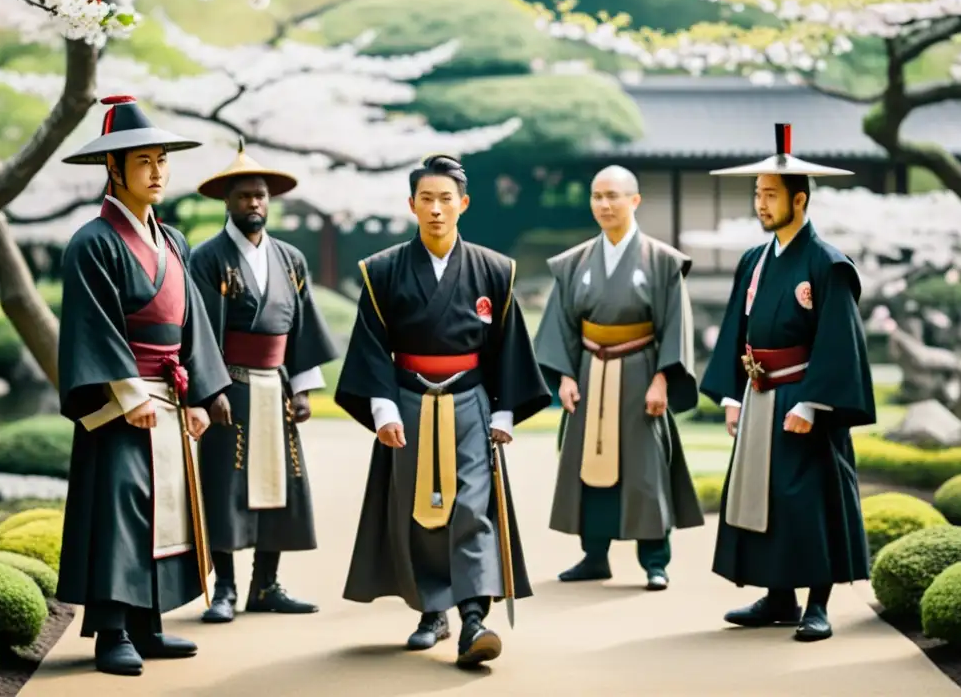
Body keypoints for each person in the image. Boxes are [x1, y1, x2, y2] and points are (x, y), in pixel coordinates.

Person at [335, 154, 551, 668]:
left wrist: (503, 412)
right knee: (420, 509)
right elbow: (370, 346)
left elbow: (508, 346)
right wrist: (383, 408)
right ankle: (433, 610)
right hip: (408, 401)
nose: (436, 209)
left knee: (471, 507)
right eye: (426, 199)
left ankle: (474, 617)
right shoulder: (383, 271)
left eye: (445, 199)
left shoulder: (494, 271)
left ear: (464, 204)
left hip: (471, 402)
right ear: (411, 205)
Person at [55, 96, 232, 676]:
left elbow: (192, 322)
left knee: (166, 509)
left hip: (171, 392)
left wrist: (203, 393)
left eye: (162, 160)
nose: (158, 172)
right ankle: (111, 632)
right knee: (121, 508)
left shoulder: (174, 240)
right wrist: (127, 394)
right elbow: (92, 324)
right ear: (114, 169)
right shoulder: (93, 242)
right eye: (144, 162)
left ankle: (148, 623)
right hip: (122, 397)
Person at [700, 123, 876, 642]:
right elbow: (737, 327)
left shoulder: (827, 264)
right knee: (765, 495)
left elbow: (839, 340)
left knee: (809, 498)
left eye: (770, 195)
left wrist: (815, 402)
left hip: (804, 396)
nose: (761, 204)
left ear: (799, 200)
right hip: (759, 393)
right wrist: (733, 393)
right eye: (757, 195)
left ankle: (817, 603)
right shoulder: (755, 261)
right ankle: (778, 597)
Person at [187, 139, 340, 623]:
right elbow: (201, 331)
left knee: (280, 484)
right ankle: (227, 588)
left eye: (260, 195)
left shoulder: (291, 259)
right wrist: (210, 392)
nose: (254, 203)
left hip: (276, 386)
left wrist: (302, 388)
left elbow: (303, 327)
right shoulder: (208, 258)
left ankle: (266, 584)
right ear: (227, 202)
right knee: (227, 485)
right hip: (230, 387)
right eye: (244, 196)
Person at [534, 165, 703, 590]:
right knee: (589, 463)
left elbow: (675, 326)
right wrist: (566, 377)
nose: (604, 204)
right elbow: (560, 325)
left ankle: (655, 561)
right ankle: (594, 556)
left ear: (634, 200)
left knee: (645, 469)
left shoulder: (662, 261)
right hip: (590, 371)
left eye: (613, 195)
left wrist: (663, 379)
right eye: (597, 196)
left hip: (641, 369)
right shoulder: (574, 263)